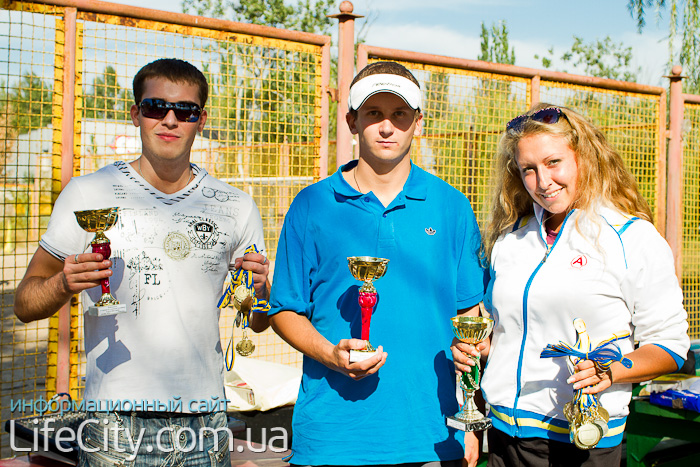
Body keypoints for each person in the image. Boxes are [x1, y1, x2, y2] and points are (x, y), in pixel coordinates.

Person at [14, 58, 270, 466]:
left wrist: (259, 292)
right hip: (114, 420)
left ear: (200, 120)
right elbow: (24, 304)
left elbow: (256, 320)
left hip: (204, 420)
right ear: (136, 114)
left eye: (184, 111)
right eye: (155, 107)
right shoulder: (87, 193)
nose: (169, 120)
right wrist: (63, 284)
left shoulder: (236, 206)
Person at [268, 61, 486, 466]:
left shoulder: (451, 206)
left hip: (432, 436)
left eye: (399, 114)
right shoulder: (312, 205)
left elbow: (470, 316)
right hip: (333, 438)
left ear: (417, 122)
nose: (387, 127)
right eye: (374, 113)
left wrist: (471, 418)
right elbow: (285, 310)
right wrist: (332, 354)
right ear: (352, 122)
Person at [457, 102, 690, 466]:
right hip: (504, 436)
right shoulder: (510, 240)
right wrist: (479, 349)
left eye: (553, 163)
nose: (543, 182)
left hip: (584, 440)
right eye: (528, 170)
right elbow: (509, 333)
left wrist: (610, 372)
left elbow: (670, 345)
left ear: (584, 157)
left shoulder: (633, 238)